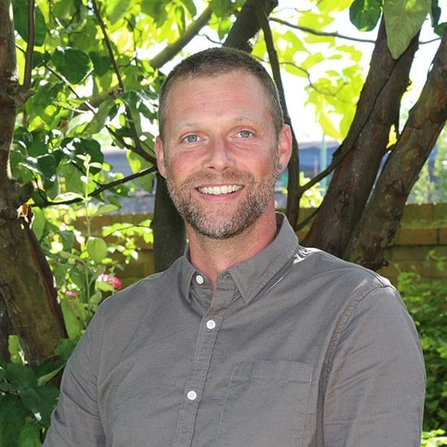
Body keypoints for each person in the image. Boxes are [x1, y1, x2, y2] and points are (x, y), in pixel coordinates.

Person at [44, 47, 426, 446]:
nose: (218, 160)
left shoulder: (357, 314)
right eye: (192, 137)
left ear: (281, 148)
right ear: (162, 157)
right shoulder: (115, 325)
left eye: (243, 133)